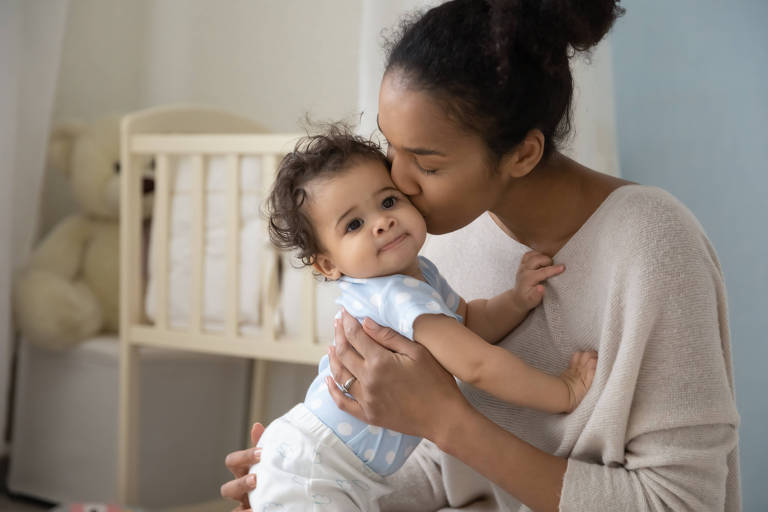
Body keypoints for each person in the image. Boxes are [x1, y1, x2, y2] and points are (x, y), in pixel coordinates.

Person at [222, 1, 741, 510]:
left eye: (425, 163)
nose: (396, 184)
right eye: (389, 147)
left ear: (522, 154)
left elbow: (681, 502)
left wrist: (448, 422)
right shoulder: (430, 235)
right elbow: (442, 468)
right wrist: (315, 479)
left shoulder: (653, 244)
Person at [247, 125, 597, 510]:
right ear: (329, 264)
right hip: (317, 466)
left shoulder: (419, 274)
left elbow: (468, 321)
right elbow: (477, 364)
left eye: (388, 201)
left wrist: (515, 300)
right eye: (354, 225)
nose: (382, 222)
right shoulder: (396, 295)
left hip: (323, 464)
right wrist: (561, 392)